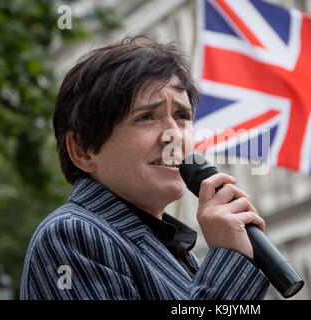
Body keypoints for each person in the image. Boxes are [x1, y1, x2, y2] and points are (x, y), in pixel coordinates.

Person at [20, 36, 270, 300]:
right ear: (82, 149)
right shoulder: (71, 236)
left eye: (182, 116)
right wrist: (228, 261)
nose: (174, 135)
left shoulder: (172, 250)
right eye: (146, 117)